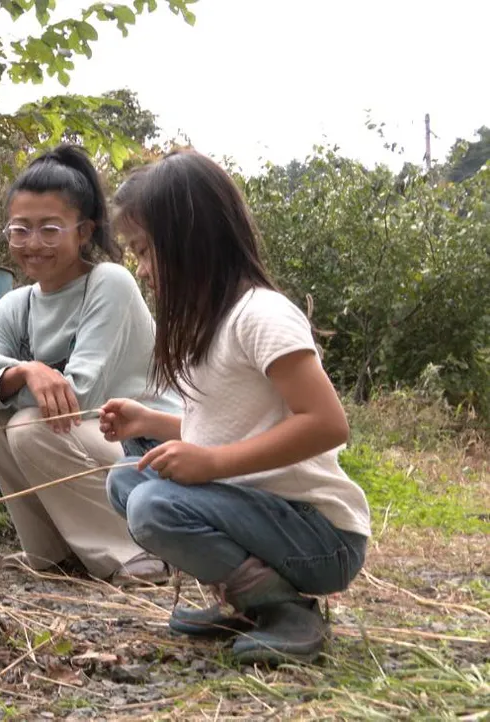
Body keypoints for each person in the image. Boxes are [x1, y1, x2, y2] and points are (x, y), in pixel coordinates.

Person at [99, 149, 371, 664]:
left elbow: (328, 424)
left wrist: (214, 465)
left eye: (146, 251)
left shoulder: (260, 315)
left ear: (192, 243)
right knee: (127, 479)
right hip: (260, 514)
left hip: (319, 536)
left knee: (153, 506)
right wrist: (151, 421)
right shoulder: (207, 326)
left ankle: (286, 611)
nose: (142, 270)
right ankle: (250, 602)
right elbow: (232, 425)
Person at [0, 144, 182, 585]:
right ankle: (55, 555)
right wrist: (21, 371)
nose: (33, 244)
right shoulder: (14, 305)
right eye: (21, 230)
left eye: (50, 229)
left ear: (84, 231)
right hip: (89, 442)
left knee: (32, 424)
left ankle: (133, 553)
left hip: (148, 448)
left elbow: (80, 396)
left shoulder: (108, 283)